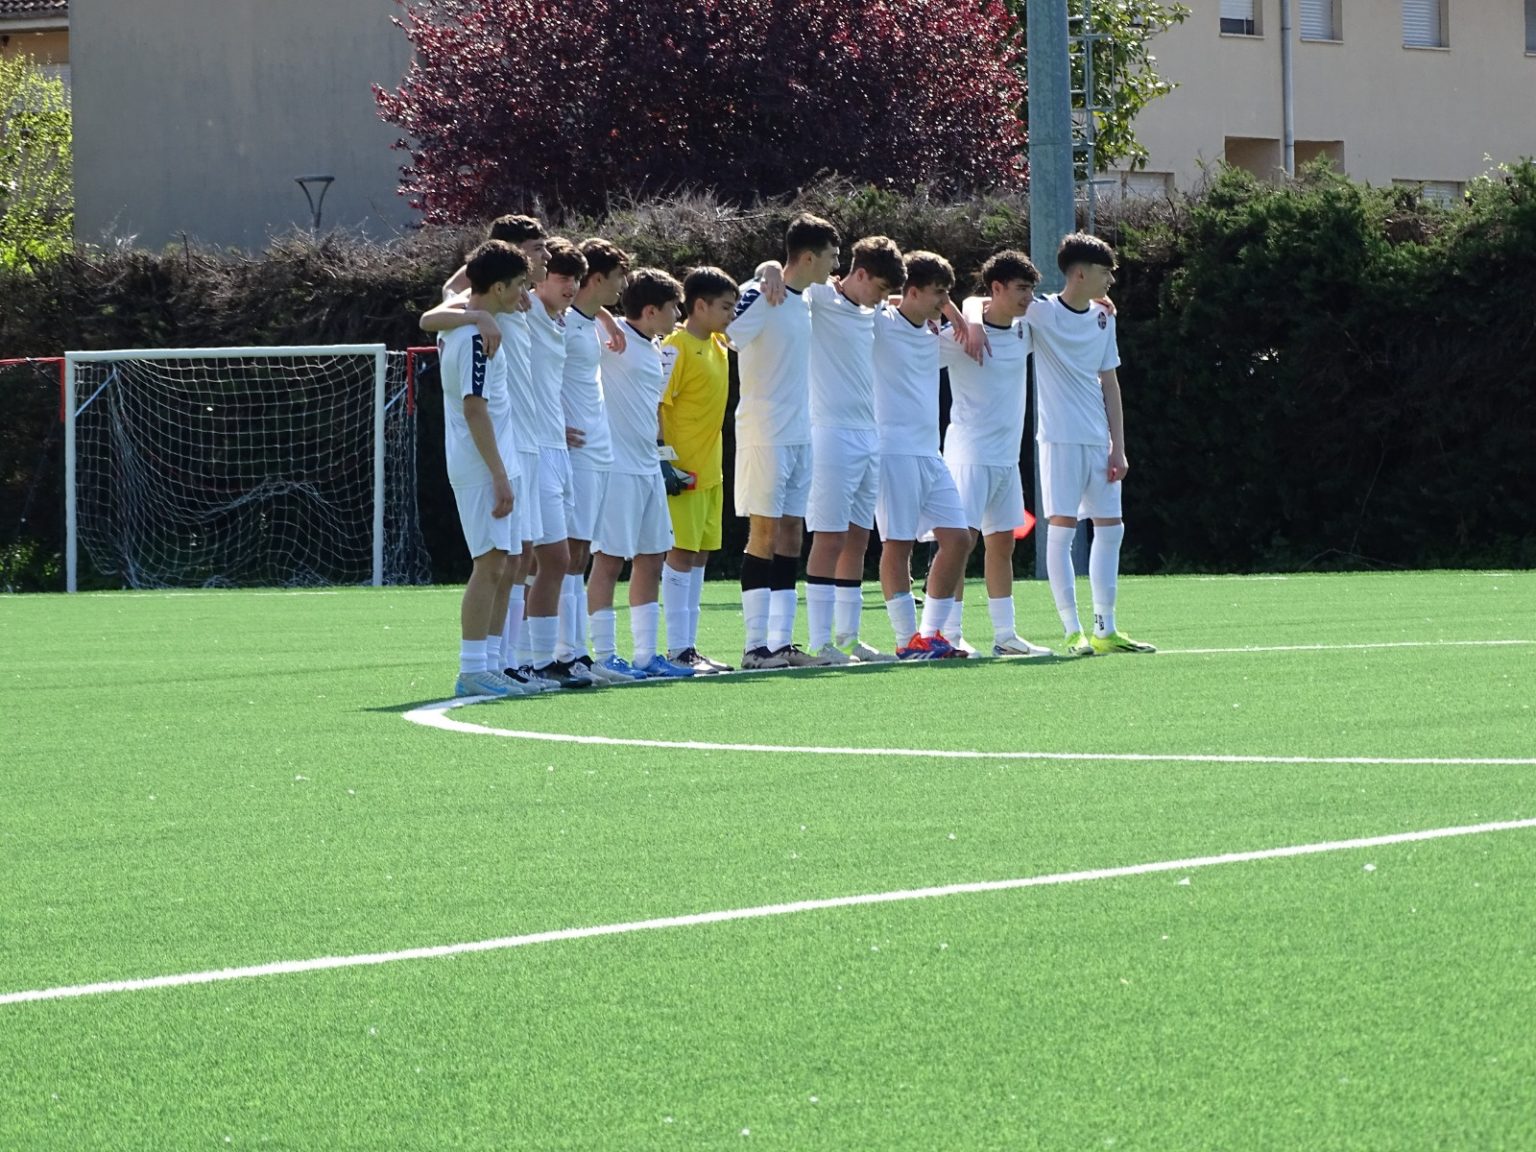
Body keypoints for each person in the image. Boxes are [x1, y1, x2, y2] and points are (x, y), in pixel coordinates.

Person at [1028, 233, 1156, 656]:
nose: (1111, 281)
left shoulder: (1104, 317)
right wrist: (964, 318)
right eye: (1105, 272)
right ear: (1079, 273)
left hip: (1098, 441)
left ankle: (1105, 628)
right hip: (1059, 440)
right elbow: (981, 304)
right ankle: (1072, 631)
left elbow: (1110, 383)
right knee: (1062, 531)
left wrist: (1118, 446)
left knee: (1111, 529)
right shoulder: (1042, 312)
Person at [726, 213, 841, 670]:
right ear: (809, 257)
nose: (836, 265)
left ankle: (782, 643)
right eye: (831, 257)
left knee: (792, 531)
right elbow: (726, 330)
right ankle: (754, 648)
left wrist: (768, 265)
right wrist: (763, 271)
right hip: (764, 433)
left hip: (800, 435)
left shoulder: (808, 296)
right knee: (764, 532)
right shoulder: (760, 293)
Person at [938, 250, 1054, 658]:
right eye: (1021, 289)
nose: (1028, 298)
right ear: (997, 288)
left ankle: (1005, 636)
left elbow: (1064, 309)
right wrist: (969, 320)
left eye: (1031, 290)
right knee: (959, 545)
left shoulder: (1026, 330)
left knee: (1003, 545)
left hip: (1006, 459)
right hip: (969, 456)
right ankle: (948, 634)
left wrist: (1100, 302)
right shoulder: (960, 336)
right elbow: (912, 354)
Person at [433, 241, 535, 698]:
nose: (523, 295)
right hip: (480, 466)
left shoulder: (475, 325)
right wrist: (498, 474)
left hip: (497, 461)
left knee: (505, 565)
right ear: (498, 287)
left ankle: (491, 664)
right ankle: (472, 668)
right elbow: (474, 409)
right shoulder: (474, 337)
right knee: (489, 564)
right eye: (519, 286)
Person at [801, 236, 907, 664]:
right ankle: (819, 642)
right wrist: (767, 268)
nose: (882, 298)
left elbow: (906, 301)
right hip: (829, 435)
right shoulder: (819, 297)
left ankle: (848, 638)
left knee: (858, 539)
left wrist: (952, 311)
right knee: (829, 537)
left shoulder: (872, 308)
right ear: (859, 274)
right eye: (879, 288)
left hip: (868, 436)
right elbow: (783, 277)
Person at [587, 269, 696, 679]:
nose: (678, 316)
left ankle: (646, 656)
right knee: (609, 560)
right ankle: (604, 656)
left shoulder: (655, 345)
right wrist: (605, 317)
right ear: (650, 311)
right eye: (672, 308)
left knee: (652, 558)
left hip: (648, 467)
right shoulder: (609, 336)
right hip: (616, 468)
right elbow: (575, 312)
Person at [870, 251, 973, 659]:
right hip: (892, 452)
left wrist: (955, 312)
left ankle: (930, 636)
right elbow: (843, 296)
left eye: (947, 294)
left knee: (959, 539)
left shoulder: (934, 332)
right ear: (911, 292)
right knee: (897, 545)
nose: (944, 302)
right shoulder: (880, 323)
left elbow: (980, 311)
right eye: (938, 293)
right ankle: (905, 640)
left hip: (930, 454)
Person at [561, 237, 639, 683]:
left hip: (597, 450)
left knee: (579, 554)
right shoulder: (561, 321)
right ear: (593, 279)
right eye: (617, 278)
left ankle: (575, 653)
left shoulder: (589, 321)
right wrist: (553, 425)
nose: (622, 286)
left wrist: (607, 320)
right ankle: (563, 653)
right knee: (567, 555)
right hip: (575, 451)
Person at [522, 237, 598, 687]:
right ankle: (529, 661)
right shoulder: (526, 308)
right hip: (535, 451)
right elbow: (457, 293)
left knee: (555, 559)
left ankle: (547, 659)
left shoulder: (559, 318)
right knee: (546, 558)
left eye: (576, 278)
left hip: (558, 451)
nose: (571, 286)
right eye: (562, 277)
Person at [658, 267, 739, 675]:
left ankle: (689, 647)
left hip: (711, 470)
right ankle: (677, 649)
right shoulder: (675, 347)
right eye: (725, 307)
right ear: (700, 306)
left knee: (700, 554)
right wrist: (662, 460)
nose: (731, 314)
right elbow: (656, 403)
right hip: (683, 469)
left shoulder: (720, 343)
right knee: (681, 553)